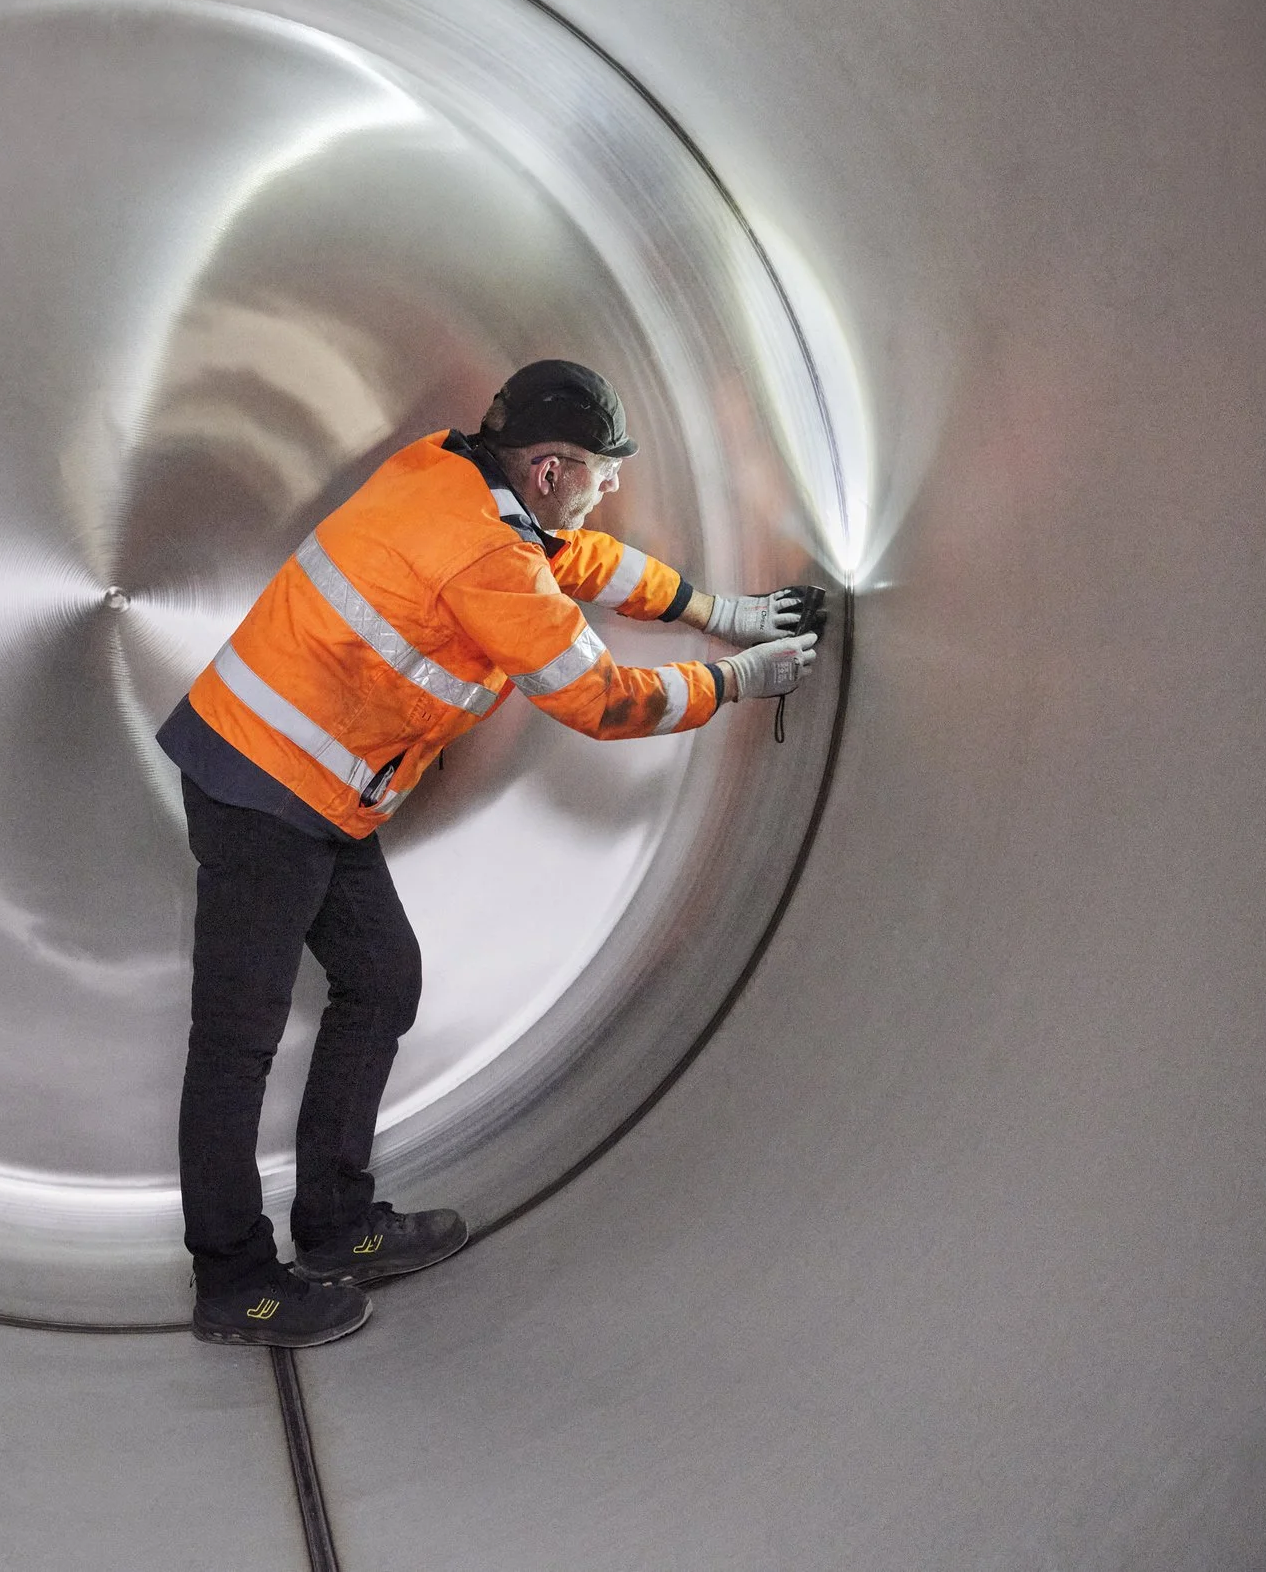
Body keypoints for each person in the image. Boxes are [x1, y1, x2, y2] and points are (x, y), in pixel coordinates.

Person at [154, 359, 819, 1346]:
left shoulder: (445, 470)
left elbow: (579, 561)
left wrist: (714, 611)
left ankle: (335, 1225)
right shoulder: (483, 558)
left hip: (307, 789)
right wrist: (734, 681)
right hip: (264, 788)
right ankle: (233, 1282)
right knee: (237, 1040)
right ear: (549, 467)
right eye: (601, 469)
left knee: (380, 980)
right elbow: (598, 699)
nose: (612, 487)